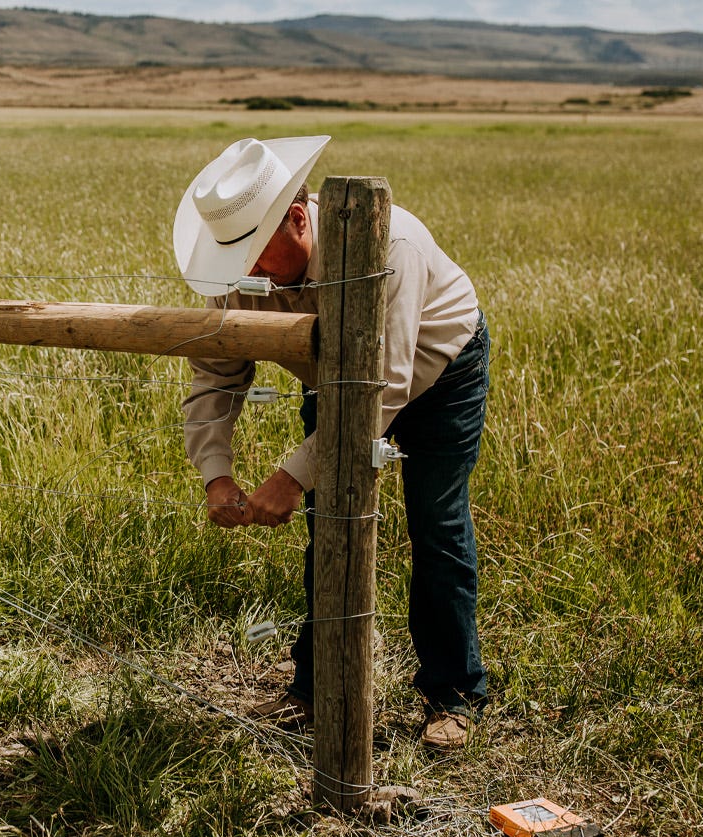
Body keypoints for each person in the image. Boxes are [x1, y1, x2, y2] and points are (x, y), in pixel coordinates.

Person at [174, 137, 490, 751]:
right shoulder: (235, 268)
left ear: (299, 217)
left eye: (260, 256)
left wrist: (290, 476)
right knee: (330, 525)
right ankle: (315, 687)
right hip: (335, 378)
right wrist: (216, 472)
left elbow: (384, 387)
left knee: (436, 523)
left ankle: (456, 696)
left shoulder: (388, 246)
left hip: (437, 371)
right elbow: (217, 373)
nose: (250, 274)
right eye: (237, 259)